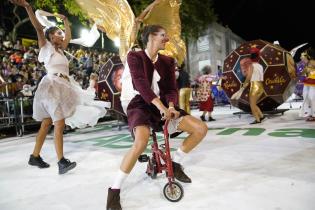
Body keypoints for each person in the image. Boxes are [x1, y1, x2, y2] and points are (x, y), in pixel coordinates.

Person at [106, 25, 208, 210]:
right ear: (150, 37)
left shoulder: (167, 61)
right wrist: (162, 107)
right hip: (138, 103)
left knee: (200, 129)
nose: (167, 39)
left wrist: (170, 106)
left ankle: (175, 162)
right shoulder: (134, 56)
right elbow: (141, 85)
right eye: (162, 35)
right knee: (141, 143)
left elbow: (170, 89)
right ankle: (114, 191)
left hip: (161, 104)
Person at [10, 0, 107, 174]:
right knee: (59, 123)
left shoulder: (61, 50)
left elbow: (68, 36)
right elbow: (39, 28)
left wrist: (65, 22)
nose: (62, 36)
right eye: (58, 33)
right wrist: (28, 8)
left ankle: (35, 156)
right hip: (51, 87)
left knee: (47, 124)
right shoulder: (45, 47)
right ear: (51, 36)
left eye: (61, 33)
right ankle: (61, 161)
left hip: (63, 86)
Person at [240, 48, 265, 124]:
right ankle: (261, 116)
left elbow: (248, 76)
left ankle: (257, 120)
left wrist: (244, 84)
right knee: (254, 103)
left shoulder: (251, 66)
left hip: (254, 86)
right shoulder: (260, 66)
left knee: (252, 104)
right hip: (260, 86)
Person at [299, 47, 315, 121]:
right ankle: (309, 113)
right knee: (306, 97)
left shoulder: (312, 62)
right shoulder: (306, 63)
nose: (301, 58)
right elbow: (303, 72)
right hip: (307, 82)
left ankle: (314, 114)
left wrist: (311, 70)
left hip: (313, 83)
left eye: (302, 56)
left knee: (312, 97)